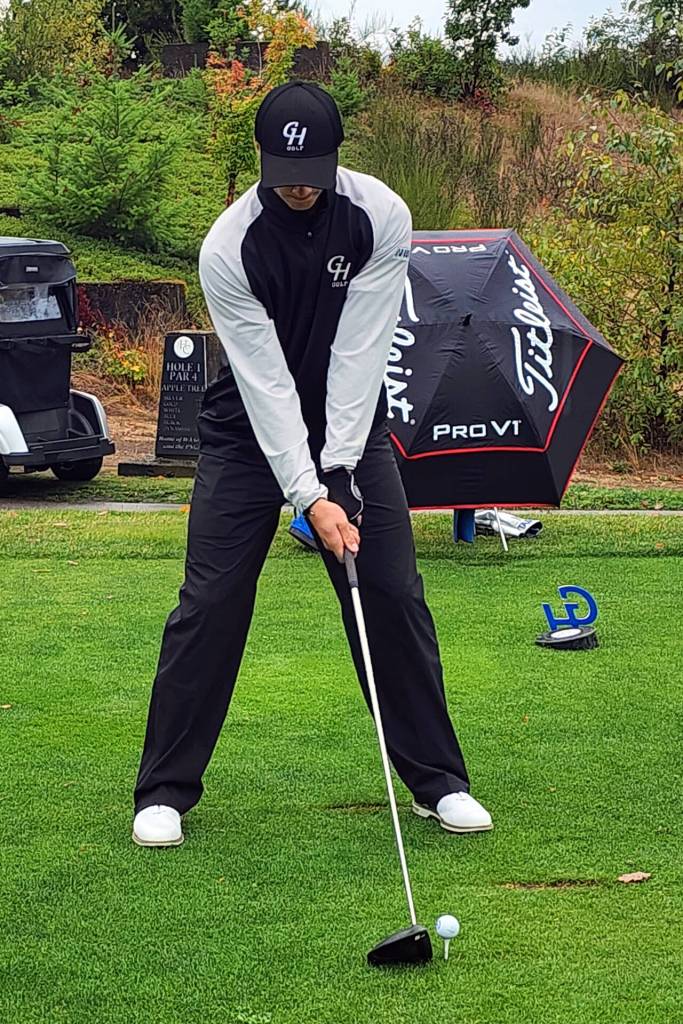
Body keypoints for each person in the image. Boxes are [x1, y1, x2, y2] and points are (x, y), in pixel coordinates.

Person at [132, 81, 492, 847]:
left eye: (312, 171)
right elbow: (264, 381)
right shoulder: (229, 245)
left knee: (391, 594)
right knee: (211, 602)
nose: (299, 186)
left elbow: (358, 354)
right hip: (243, 437)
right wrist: (306, 494)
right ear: (260, 160)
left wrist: (336, 477)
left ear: (336, 158)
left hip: (352, 427)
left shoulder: (380, 216)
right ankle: (163, 792)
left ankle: (438, 782)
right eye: (283, 171)